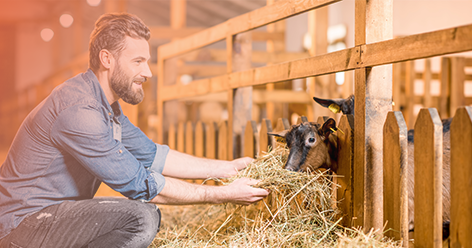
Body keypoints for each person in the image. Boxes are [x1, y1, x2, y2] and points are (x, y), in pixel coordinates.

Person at [0, 13, 269, 248]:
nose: (148, 72)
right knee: (141, 218)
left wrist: (226, 169)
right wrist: (221, 195)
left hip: (50, 217)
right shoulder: (79, 110)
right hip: (21, 227)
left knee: (142, 215)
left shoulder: (106, 107)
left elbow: (154, 156)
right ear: (107, 59)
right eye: (138, 61)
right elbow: (140, 185)